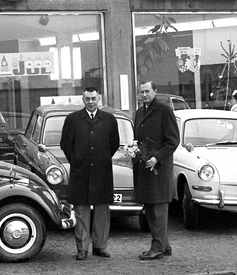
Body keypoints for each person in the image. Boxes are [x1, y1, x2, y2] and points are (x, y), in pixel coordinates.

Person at [59, 86, 120, 260]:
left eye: (94, 98)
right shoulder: (73, 119)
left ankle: (100, 246)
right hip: (80, 172)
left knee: (102, 210)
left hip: (102, 172)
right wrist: (77, 160)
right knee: (81, 211)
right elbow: (65, 144)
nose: (91, 102)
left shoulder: (109, 119)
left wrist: (101, 159)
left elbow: (114, 143)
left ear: (99, 98)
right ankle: (82, 249)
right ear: (83, 99)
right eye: (88, 99)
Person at [133, 80, 179, 260]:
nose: (144, 95)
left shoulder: (164, 111)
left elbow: (173, 141)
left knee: (158, 210)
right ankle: (164, 245)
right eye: (141, 92)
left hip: (159, 169)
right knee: (150, 209)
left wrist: (157, 157)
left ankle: (157, 247)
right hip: (145, 168)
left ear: (155, 91)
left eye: (147, 91)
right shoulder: (139, 113)